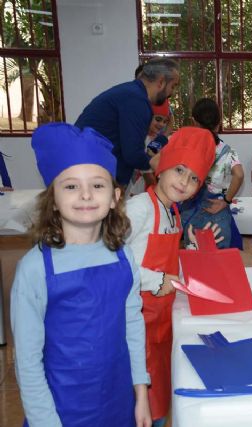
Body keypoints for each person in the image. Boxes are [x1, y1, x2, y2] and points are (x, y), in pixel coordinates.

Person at [11, 123, 151, 426]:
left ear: (114, 196)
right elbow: (27, 362)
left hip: (119, 402)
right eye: (71, 186)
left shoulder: (123, 255)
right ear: (53, 200)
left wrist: (141, 394)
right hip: (61, 411)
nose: (86, 194)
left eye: (97, 185)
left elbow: (132, 326)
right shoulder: (34, 270)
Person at [125, 127, 217, 427]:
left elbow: (165, 258)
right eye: (179, 170)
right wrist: (155, 281)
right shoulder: (139, 209)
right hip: (136, 321)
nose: (184, 182)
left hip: (162, 320)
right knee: (141, 397)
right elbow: (112, 263)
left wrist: (191, 247)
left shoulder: (172, 212)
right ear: (162, 168)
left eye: (194, 179)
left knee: (161, 391)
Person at [75, 57, 180, 186]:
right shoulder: (137, 100)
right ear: (161, 82)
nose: (172, 93)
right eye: (172, 86)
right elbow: (133, 155)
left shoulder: (129, 92)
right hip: (93, 177)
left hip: (90, 172)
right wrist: (161, 166)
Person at [181, 98, 245, 249]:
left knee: (194, 257)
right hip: (218, 210)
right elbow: (239, 174)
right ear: (218, 123)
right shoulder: (228, 151)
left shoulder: (187, 148)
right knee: (219, 258)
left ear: (195, 122)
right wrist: (227, 200)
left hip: (192, 210)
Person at [125, 99, 171, 199]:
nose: (162, 124)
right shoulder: (140, 140)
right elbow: (147, 175)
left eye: (165, 121)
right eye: (158, 119)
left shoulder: (158, 139)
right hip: (141, 192)